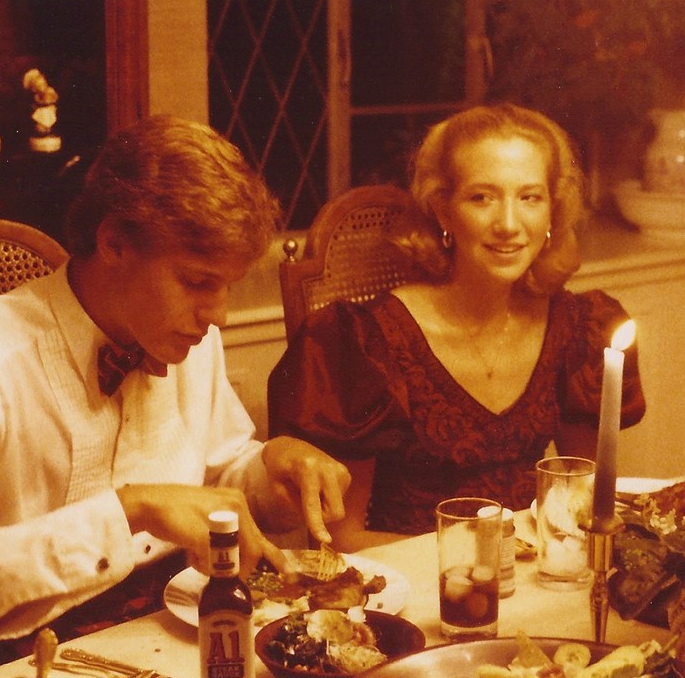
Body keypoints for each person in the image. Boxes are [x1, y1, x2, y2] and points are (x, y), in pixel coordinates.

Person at [0, 115, 350, 678]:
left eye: (226, 286)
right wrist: (130, 511)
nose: (220, 315)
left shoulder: (188, 338)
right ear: (114, 244)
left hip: (168, 637)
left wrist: (268, 470)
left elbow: (217, 474)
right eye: (198, 282)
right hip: (22, 662)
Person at [268, 103, 645, 552]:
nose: (508, 225)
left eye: (529, 197)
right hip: (413, 577)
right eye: (481, 197)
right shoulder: (366, 342)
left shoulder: (580, 328)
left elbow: (579, 499)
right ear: (443, 211)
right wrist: (479, 556)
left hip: (530, 571)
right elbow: (342, 537)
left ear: (552, 213)